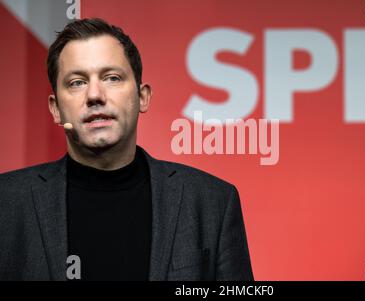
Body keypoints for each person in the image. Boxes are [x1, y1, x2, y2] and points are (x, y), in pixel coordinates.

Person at [0, 18, 253, 281]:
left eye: (112, 78)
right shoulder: (6, 203)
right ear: (55, 108)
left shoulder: (212, 202)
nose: (94, 95)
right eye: (77, 82)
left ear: (142, 97)